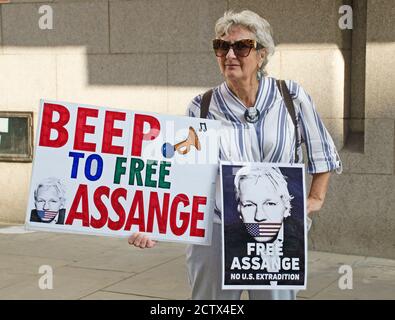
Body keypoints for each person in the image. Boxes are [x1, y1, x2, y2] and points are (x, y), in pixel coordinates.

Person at [128, 9, 342, 300]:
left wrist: (313, 200)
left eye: (241, 46)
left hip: (275, 230)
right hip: (215, 230)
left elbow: (323, 152)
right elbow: (180, 174)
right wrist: (152, 222)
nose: (230, 54)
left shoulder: (290, 97)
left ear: (262, 55)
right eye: (222, 47)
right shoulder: (201, 107)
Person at [223, 165, 305, 287]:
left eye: (270, 204)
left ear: (286, 207)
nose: (259, 216)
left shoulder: (299, 239)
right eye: (249, 205)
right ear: (239, 209)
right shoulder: (228, 241)